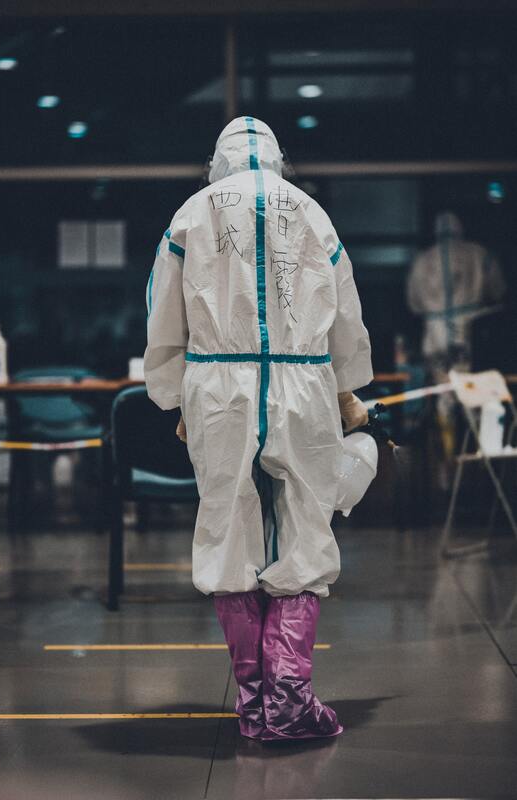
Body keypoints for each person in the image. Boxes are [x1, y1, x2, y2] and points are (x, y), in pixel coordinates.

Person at [144, 117, 372, 741]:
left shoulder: (190, 215)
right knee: (307, 527)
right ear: (277, 158)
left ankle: (253, 704)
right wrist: (348, 389)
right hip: (303, 384)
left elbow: (163, 314)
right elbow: (345, 315)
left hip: (217, 386)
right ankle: (291, 704)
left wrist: (174, 395)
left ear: (216, 161)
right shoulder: (313, 213)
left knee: (227, 531)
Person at [407, 211, 506, 478]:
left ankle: (449, 463)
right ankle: (481, 463)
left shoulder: (422, 261)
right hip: (471, 334)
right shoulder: (480, 254)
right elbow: (497, 291)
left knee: (444, 397)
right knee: (478, 396)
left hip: (437, 334)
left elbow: (414, 303)